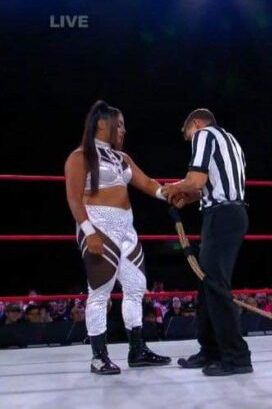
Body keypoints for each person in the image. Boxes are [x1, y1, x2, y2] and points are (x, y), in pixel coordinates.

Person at [64, 100, 171, 375]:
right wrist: (89, 232)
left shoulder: (122, 158)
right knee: (100, 291)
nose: (123, 130)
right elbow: (74, 198)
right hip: (98, 225)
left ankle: (137, 350)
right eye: (119, 124)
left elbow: (147, 183)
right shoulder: (80, 156)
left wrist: (170, 193)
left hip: (126, 228)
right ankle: (98, 357)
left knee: (136, 287)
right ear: (102, 123)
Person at [162, 108, 252, 376]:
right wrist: (187, 196)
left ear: (197, 123)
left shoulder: (204, 135)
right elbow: (210, 186)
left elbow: (196, 180)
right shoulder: (232, 141)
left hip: (221, 217)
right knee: (207, 285)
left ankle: (237, 357)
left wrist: (173, 188)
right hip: (231, 215)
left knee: (215, 285)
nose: (190, 141)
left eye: (188, 135)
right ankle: (210, 350)